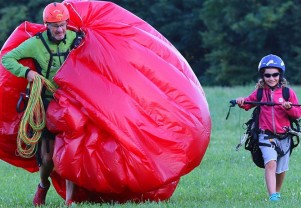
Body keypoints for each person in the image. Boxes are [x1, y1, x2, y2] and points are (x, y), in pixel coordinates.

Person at [1, 2, 83, 206]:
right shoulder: (35, 43)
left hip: (70, 103)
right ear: (47, 25)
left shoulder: (75, 38)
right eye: (55, 25)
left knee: (69, 152)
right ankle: (43, 186)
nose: (60, 29)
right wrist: (27, 73)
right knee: (47, 159)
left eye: (63, 24)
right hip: (45, 104)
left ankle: (70, 200)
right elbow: (7, 58)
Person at [235, 54, 301, 202]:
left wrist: (288, 108)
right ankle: (273, 197)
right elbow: (247, 104)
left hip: (285, 135)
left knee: (281, 169)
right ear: (262, 76)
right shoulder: (259, 92)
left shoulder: (287, 93)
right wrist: (241, 101)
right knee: (270, 163)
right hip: (265, 135)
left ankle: (277, 192)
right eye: (267, 75)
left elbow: (297, 114)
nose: (271, 78)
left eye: (275, 75)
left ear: (280, 75)